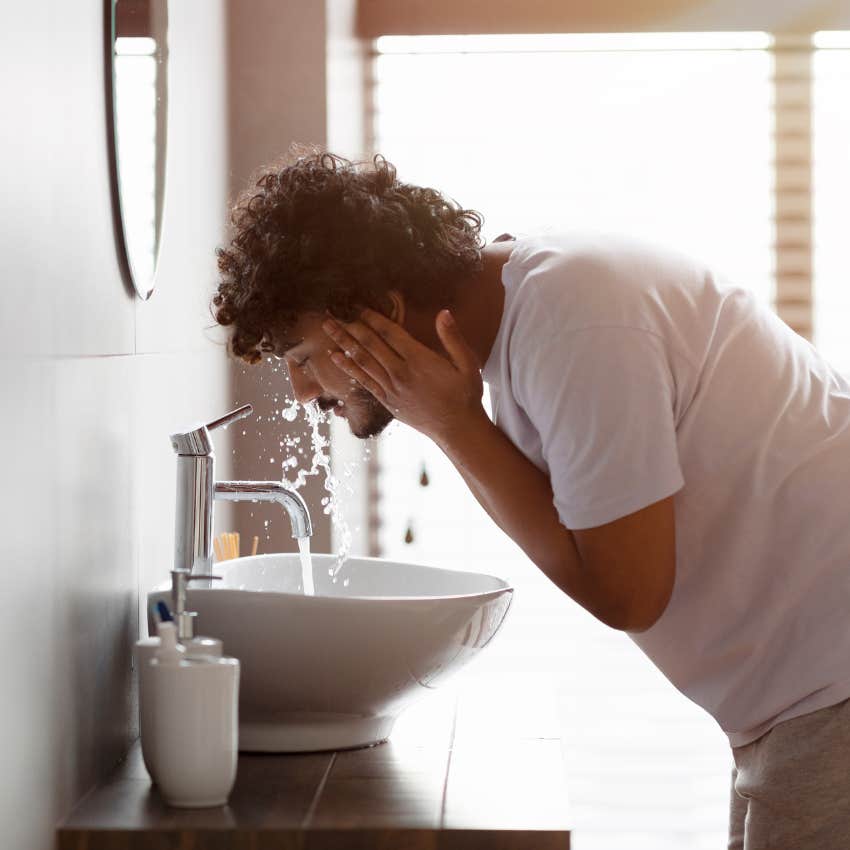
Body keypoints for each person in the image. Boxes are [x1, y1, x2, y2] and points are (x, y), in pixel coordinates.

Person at [213, 150, 850, 849]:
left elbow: (629, 595)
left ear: (383, 312)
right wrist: (458, 422)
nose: (303, 393)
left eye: (303, 358)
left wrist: (456, 426)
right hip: (800, 703)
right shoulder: (536, 315)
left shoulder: (573, 322)